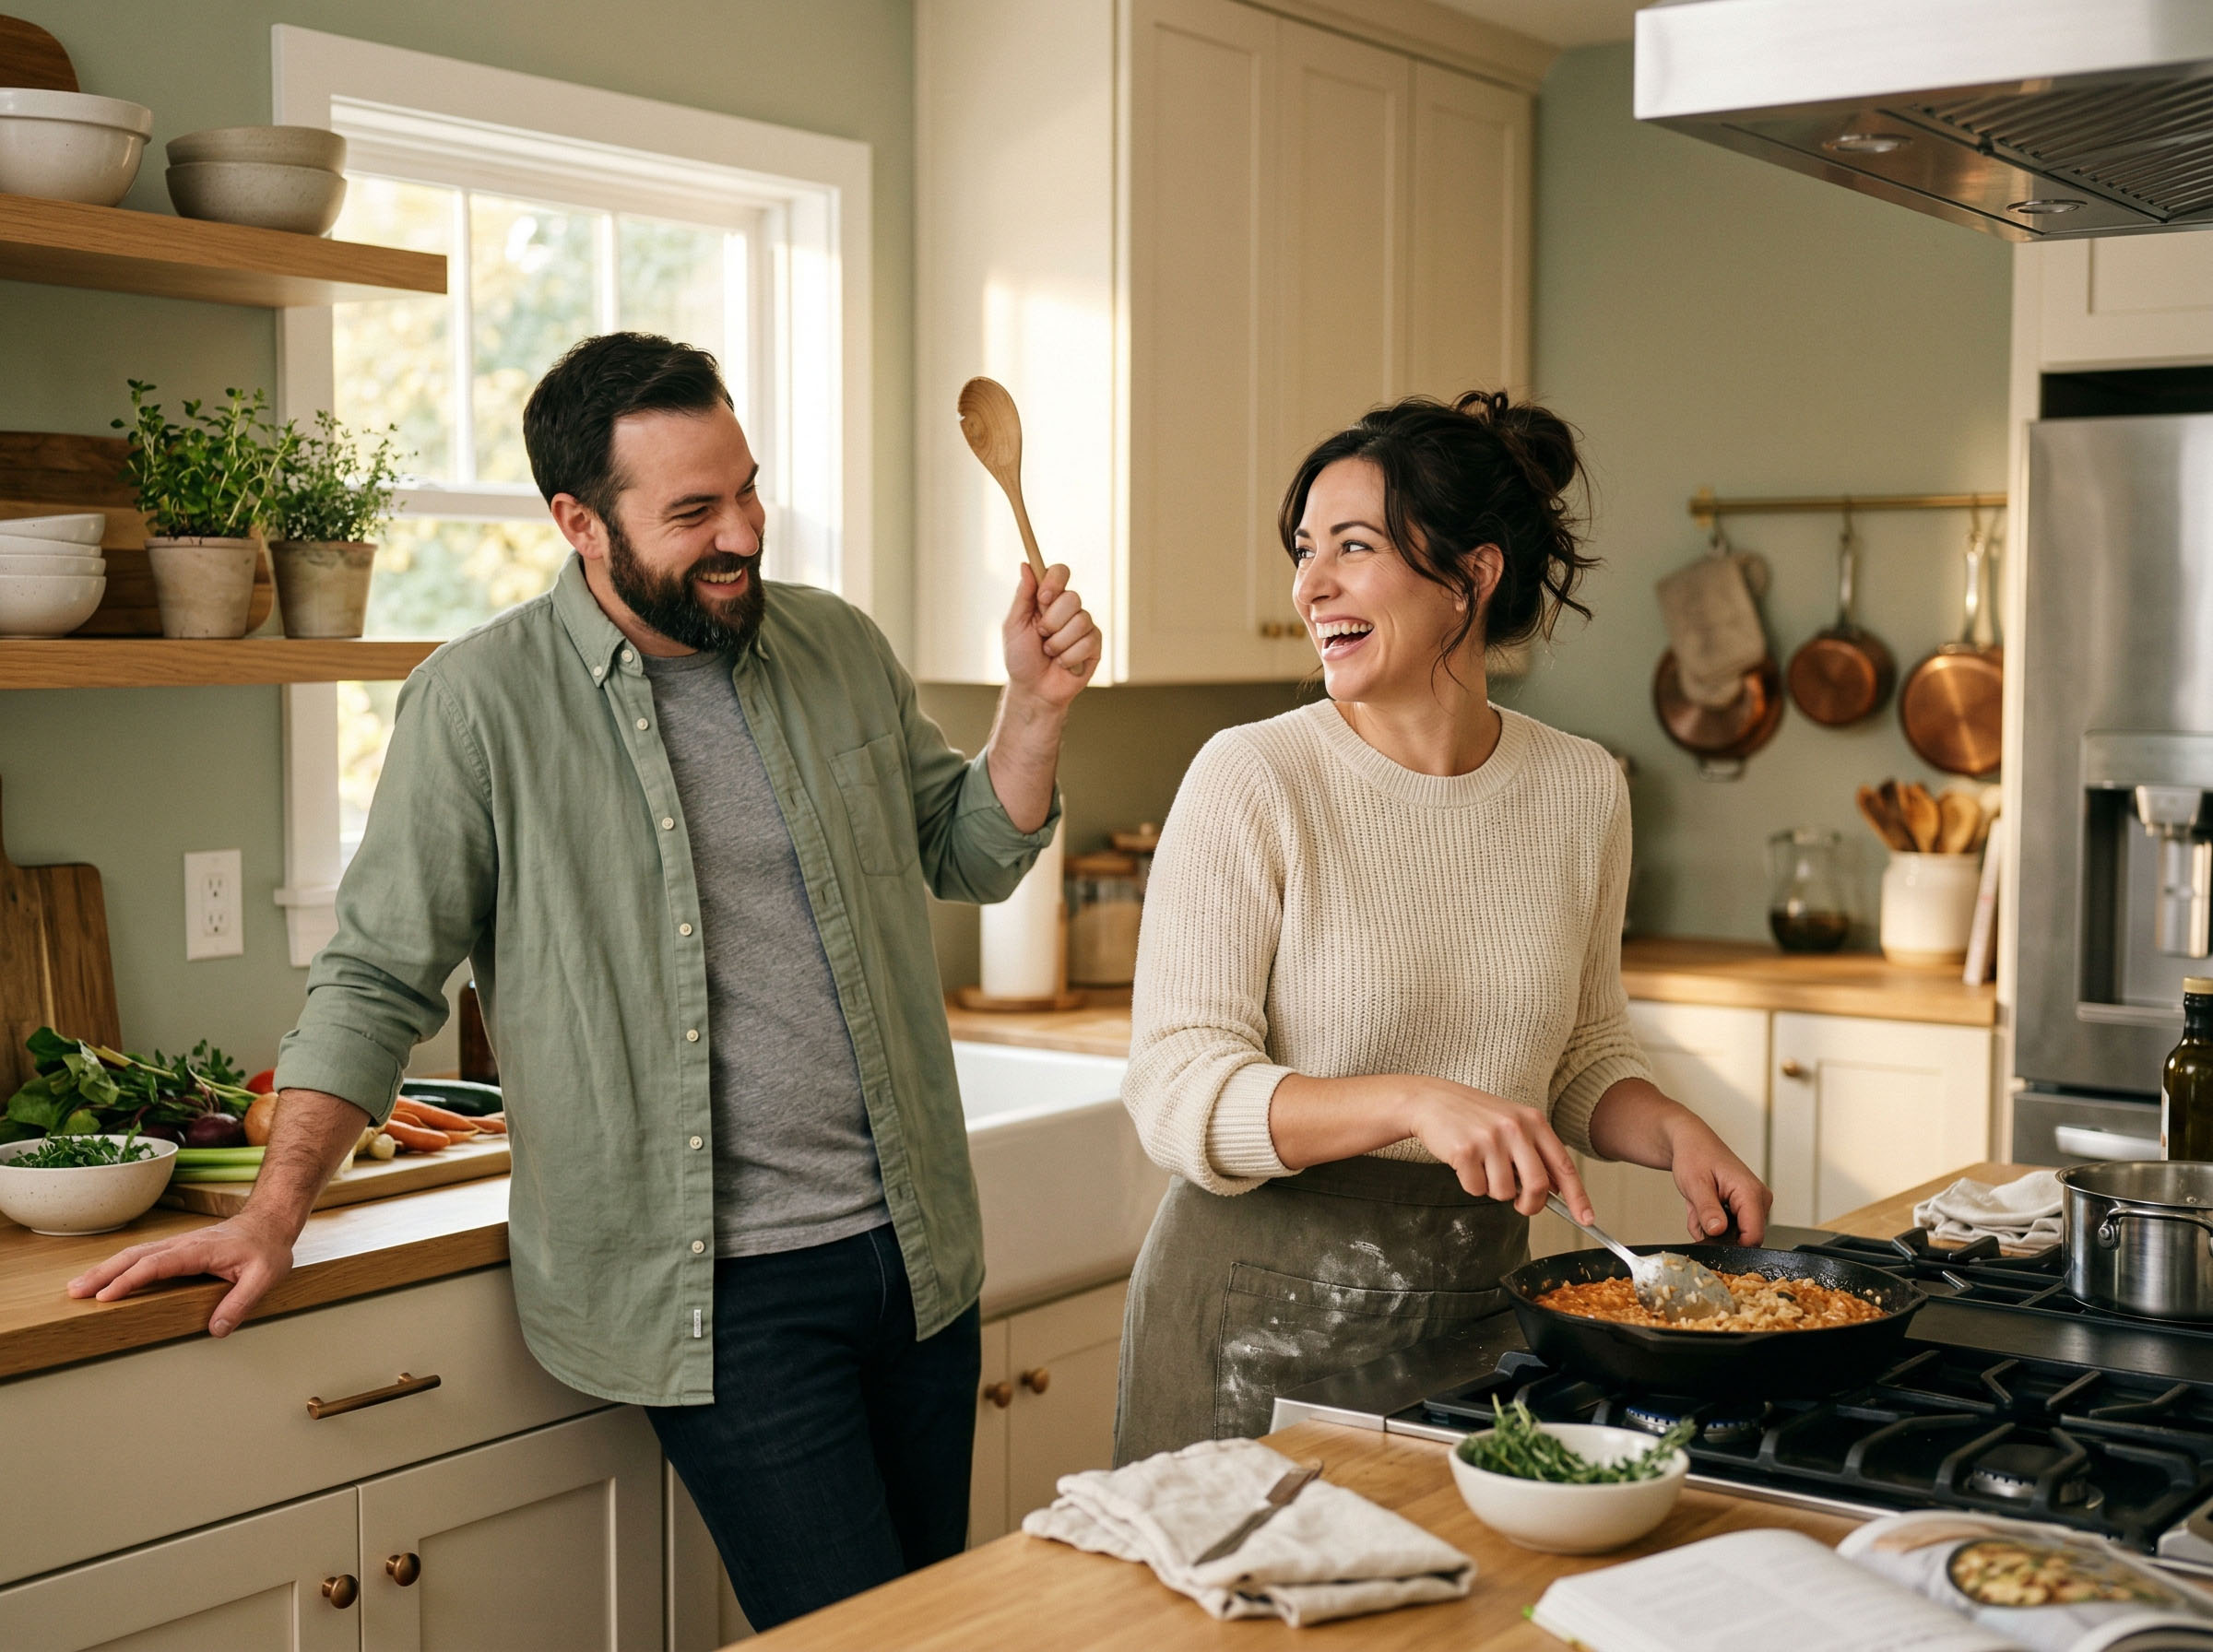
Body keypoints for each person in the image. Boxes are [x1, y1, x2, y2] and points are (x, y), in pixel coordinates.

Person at [67, 332, 1101, 1629]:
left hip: (918, 1258)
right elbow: (377, 978)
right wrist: (274, 1213)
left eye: (748, 489)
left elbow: (971, 851)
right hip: (726, 1298)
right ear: (579, 522)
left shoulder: (834, 648)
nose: (743, 532)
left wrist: (1038, 703)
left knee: (937, 1624)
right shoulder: (480, 705)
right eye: (693, 511)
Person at [1113, 391, 1770, 1463]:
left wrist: (1672, 1132)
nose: (1309, 584)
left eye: (1353, 547)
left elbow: (1584, 1052)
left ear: (1472, 575)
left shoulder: (1581, 785)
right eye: (1304, 549)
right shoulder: (1256, 775)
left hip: (1480, 1320)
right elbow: (1177, 1087)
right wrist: (1417, 1101)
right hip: (1251, 1327)